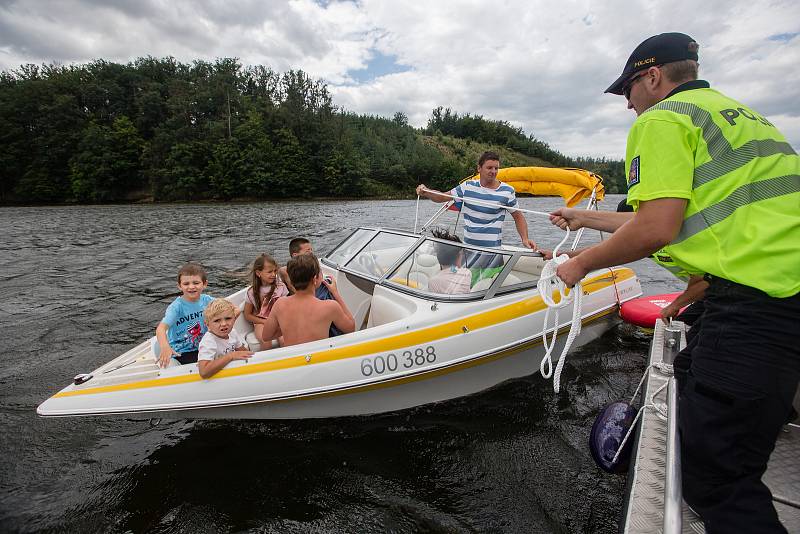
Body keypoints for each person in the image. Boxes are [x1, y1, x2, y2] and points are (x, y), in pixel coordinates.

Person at [556, 32, 799, 533]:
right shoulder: (741, 116)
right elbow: (679, 216)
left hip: (757, 300)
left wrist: (581, 265)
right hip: (776, 289)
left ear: (652, 76)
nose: (628, 103)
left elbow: (655, 228)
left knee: (716, 474)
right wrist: (585, 219)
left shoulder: (663, 119)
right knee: (688, 370)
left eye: (628, 89)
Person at [416, 151, 537, 253]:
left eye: (496, 168)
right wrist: (426, 192)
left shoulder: (507, 191)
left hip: (493, 252)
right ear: (479, 168)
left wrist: (525, 239)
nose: (493, 171)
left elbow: (518, 216)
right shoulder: (467, 186)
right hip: (469, 250)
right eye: (489, 168)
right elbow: (442, 197)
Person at [260, 253, 355, 347]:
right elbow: (351, 328)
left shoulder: (280, 304)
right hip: (319, 359)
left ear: (292, 280)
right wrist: (335, 293)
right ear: (315, 279)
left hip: (294, 359)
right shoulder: (330, 307)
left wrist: (288, 327)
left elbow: (266, 336)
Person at [279, 236, 343, 336]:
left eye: (312, 250)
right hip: (307, 303)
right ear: (295, 255)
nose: (312, 254)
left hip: (310, 302)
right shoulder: (285, 272)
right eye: (308, 251)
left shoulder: (312, 266)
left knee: (328, 284)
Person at [155, 263, 215, 368]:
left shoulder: (208, 300)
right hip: (182, 351)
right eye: (186, 284)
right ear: (179, 286)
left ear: (204, 284)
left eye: (196, 283)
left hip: (205, 345)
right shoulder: (176, 307)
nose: (191, 287)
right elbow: (161, 329)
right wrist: (165, 347)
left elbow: (232, 309)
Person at [197, 298, 253, 378]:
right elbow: (204, 372)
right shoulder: (208, 341)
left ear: (234, 319)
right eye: (217, 321)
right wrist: (231, 356)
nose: (223, 324)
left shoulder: (232, 332)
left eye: (228, 318)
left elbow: (243, 351)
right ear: (207, 324)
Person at [243, 253, 289, 344]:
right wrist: (264, 321)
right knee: (266, 340)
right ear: (258, 273)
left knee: (284, 340)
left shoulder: (281, 287)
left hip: (279, 320)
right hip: (261, 322)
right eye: (269, 272)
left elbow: (287, 308)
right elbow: (247, 315)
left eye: (275, 271)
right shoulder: (251, 292)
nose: (273, 274)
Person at [427, 228, 472, 294]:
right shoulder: (467, 273)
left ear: (438, 256)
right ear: (458, 257)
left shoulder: (433, 282)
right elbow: (453, 269)